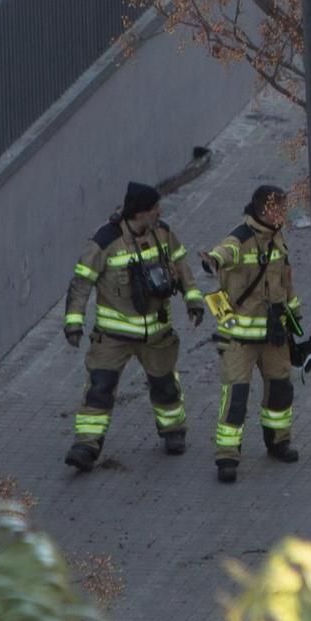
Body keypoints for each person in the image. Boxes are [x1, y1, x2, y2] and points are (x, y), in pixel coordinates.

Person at [62, 182, 204, 471]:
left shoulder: (162, 232)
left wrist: (193, 300)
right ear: (140, 213)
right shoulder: (105, 241)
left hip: (157, 332)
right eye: (154, 208)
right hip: (113, 337)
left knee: (165, 386)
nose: (159, 212)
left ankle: (173, 432)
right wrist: (73, 323)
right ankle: (86, 445)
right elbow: (81, 282)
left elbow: (181, 264)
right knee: (99, 388)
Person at [200, 184, 303, 483]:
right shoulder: (240, 239)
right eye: (279, 208)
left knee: (281, 390)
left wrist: (295, 319)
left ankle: (278, 442)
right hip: (241, 341)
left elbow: (286, 284)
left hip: (274, 336)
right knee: (236, 396)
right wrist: (227, 326)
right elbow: (220, 259)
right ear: (263, 210)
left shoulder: (277, 237)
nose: (284, 212)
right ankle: (227, 456)